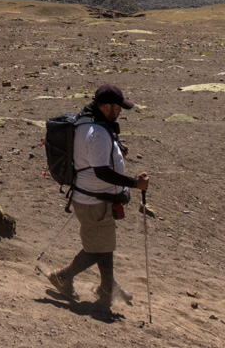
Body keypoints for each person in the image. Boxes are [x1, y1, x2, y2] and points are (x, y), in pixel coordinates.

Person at [48, 83, 149, 311]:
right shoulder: (97, 133)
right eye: (118, 107)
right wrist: (134, 183)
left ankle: (106, 286)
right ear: (106, 107)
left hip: (92, 198)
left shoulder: (91, 123)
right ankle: (62, 276)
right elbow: (100, 171)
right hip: (92, 201)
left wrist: (116, 150)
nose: (121, 111)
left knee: (104, 244)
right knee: (96, 249)